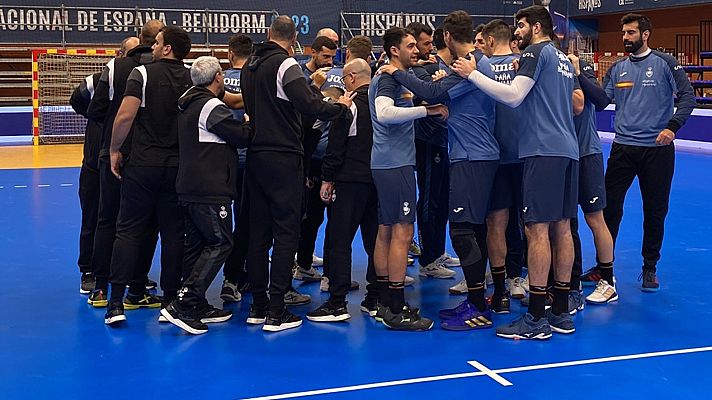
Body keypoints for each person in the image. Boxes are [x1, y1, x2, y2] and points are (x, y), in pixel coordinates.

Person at [452, 5, 583, 339]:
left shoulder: (537, 52)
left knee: (536, 231)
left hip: (542, 149)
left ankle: (536, 318)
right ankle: (561, 312)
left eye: (521, 26)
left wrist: (473, 74)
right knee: (563, 228)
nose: (517, 32)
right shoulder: (562, 58)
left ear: (536, 27)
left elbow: (512, 96)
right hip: (568, 150)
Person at [380, 10, 500, 329]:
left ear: (446, 37)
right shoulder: (469, 64)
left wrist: (393, 70)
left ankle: (477, 306)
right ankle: (478, 300)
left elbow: (432, 93)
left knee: (462, 231)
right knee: (472, 229)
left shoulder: (468, 65)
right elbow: (441, 89)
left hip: (473, 157)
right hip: (472, 154)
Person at [240, 16, 352, 332]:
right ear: (294, 39)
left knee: (258, 234)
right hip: (283, 156)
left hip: (256, 155)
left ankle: (259, 306)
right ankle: (277, 310)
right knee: (287, 231)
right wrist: (340, 107)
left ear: (268, 33)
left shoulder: (250, 64)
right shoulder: (286, 64)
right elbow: (309, 104)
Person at [577, 13, 695, 292]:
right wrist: (579, 76)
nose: (626, 38)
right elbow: (603, 101)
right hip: (623, 149)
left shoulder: (666, 63)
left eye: (631, 33)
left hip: (658, 150)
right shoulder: (618, 68)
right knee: (608, 210)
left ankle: (649, 267)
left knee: (655, 211)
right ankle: (604, 266)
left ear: (645, 35)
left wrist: (673, 127)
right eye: (624, 33)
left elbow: (688, 96)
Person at [104, 26, 193, 325]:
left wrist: (115, 149)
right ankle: (170, 302)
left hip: (143, 165)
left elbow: (125, 116)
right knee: (173, 235)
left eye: (156, 43)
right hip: (179, 168)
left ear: (167, 49)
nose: (152, 47)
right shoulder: (193, 77)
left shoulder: (141, 74)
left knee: (128, 230)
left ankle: (115, 303)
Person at [161, 56, 251, 335]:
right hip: (209, 187)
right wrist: (250, 122)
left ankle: (194, 302)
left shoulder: (187, 102)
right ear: (218, 78)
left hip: (189, 184)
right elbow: (240, 136)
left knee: (197, 245)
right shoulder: (211, 105)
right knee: (221, 242)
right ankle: (184, 303)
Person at [369, 27, 447, 331]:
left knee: (386, 231)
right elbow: (385, 113)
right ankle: (397, 308)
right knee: (402, 231)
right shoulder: (388, 78)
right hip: (394, 163)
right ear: (394, 51)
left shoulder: (395, 77)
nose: (416, 50)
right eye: (410, 46)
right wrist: (425, 111)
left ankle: (385, 302)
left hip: (388, 162)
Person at [85, 24, 163, 310]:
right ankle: (137, 289)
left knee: (108, 221)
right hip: (147, 158)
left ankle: (100, 288)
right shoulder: (163, 69)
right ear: (158, 42)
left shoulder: (115, 67)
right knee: (146, 225)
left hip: (112, 153)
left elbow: (94, 110)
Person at [306, 58, 379, 322]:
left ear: (350, 78)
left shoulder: (347, 107)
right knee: (375, 241)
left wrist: (327, 178)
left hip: (348, 181)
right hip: (376, 179)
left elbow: (336, 145)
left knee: (338, 241)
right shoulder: (379, 102)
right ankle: (375, 297)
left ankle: (337, 302)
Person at [562, 52, 617, 306]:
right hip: (562, 154)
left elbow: (602, 100)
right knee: (565, 223)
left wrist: (577, 74)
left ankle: (608, 280)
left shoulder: (579, 66)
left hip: (586, 153)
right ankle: (571, 281)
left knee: (595, 218)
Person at [406, 21, 458, 281]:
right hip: (426, 141)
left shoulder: (435, 69)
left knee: (442, 199)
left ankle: (437, 251)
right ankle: (428, 258)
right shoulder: (418, 72)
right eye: (424, 43)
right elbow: (428, 96)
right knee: (429, 200)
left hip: (440, 139)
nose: (428, 48)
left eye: (428, 43)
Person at [480, 19, 527, 301]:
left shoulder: (478, 68)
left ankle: (499, 289)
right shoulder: (525, 64)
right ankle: (522, 279)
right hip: (525, 155)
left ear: (487, 40)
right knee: (530, 222)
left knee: (496, 222)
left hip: (492, 158)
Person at [220, 34, 253, 303]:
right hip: (251, 159)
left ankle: (229, 280)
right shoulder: (255, 79)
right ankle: (243, 275)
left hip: (220, 162)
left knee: (221, 222)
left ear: (231, 54)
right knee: (248, 221)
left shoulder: (217, 80)